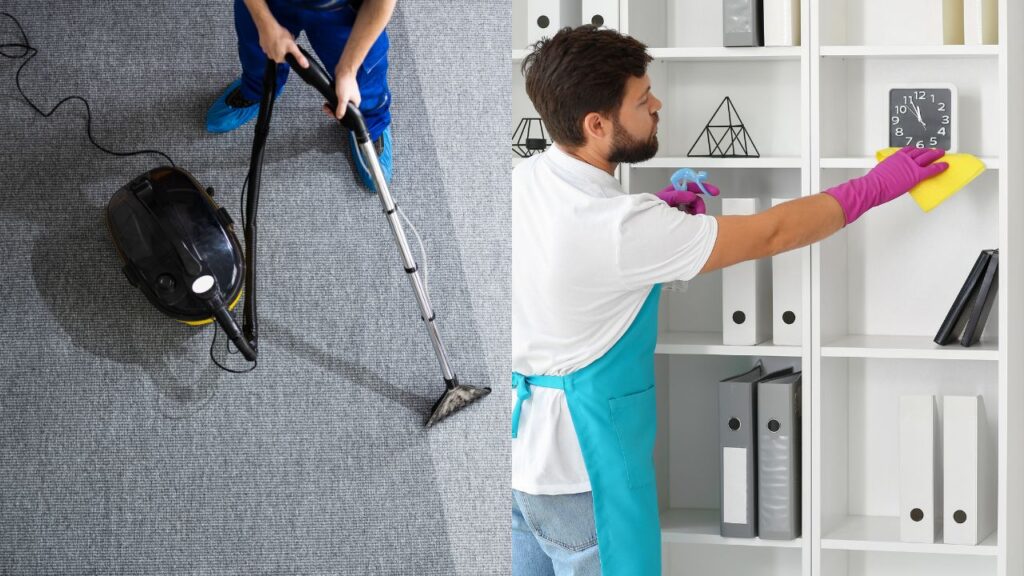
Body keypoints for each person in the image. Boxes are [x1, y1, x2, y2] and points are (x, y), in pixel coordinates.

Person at [511, 26, 949, 575]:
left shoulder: (524, 180)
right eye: (642, 100)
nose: (658, 105)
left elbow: (580, 253)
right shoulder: (621, 228)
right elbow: (772, 234)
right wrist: (876, 186)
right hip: (585, 474)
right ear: (596, 124)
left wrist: (660, 217)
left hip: (520, 465)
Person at [206, 0, 395, 192]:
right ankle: (256, 90)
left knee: (364, 83)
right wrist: (264, 22)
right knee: (258, 54)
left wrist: (348, 69)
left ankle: (370, 123)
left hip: (345, 9)